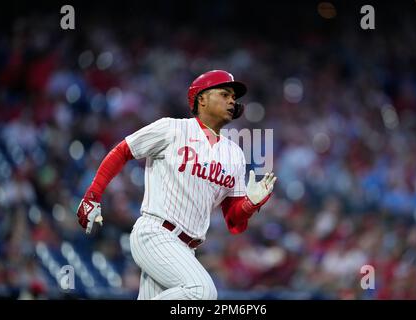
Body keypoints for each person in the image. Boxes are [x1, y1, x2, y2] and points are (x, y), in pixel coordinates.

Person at [76, 70, 277, 300]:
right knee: (203, 292)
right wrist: (92, 195)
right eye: (224, 94)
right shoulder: (172, 129)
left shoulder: (235, 154)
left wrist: (250, 204)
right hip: (155, 233)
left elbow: (234, 221)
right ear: (201, 98)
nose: (232, 100)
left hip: (187, 250)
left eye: (234, 97)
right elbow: (122, 151)